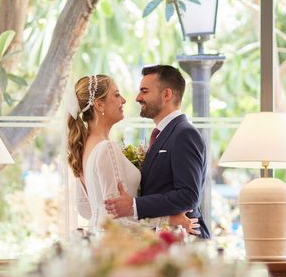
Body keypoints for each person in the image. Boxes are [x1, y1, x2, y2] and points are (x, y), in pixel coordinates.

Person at [66, 74, 199, 233]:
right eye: (116, 95)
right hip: (120, 244)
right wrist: (170, 220)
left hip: (102, 240)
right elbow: (121, 220)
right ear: (99, 105)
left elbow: (86, 210)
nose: (123, 100)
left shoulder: (82, 149)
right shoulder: (106, 148)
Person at [104, 65, 210, 238]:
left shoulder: (184, 133)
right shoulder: (164, 134)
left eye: (144, 91)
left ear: (167, 95)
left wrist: (134, 205)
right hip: (163, 237)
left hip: (184, 240)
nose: (138, 98)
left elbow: (188, 195)